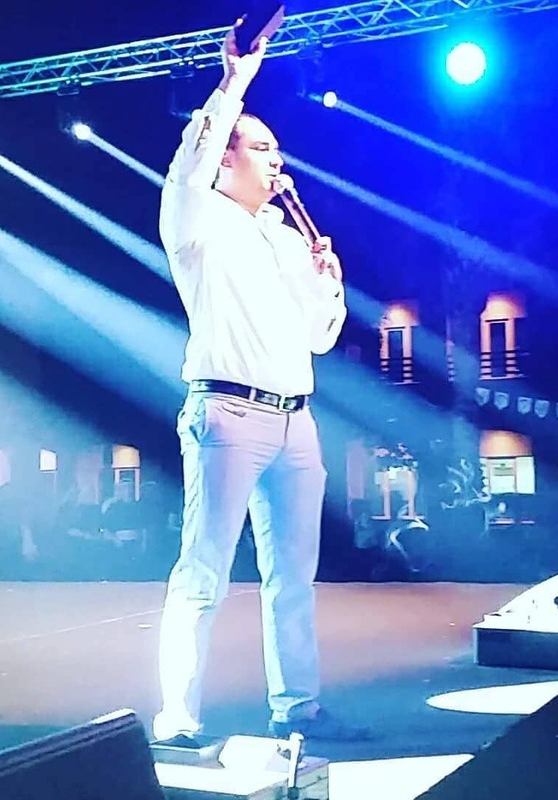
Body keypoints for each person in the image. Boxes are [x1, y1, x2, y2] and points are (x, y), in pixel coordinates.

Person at [152, 21, 364, 744]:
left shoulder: (283, 234)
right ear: (226, 158)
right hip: (226, 414)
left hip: (295, 420)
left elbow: (319, 337)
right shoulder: (195, 216)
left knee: (293, 578)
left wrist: (328, 283)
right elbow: (192, 158)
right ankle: (178, 716)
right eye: (262, 148)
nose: (277, 161)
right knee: (204, 570)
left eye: (278, 151)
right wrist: (234, 79)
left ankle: (298, 708)